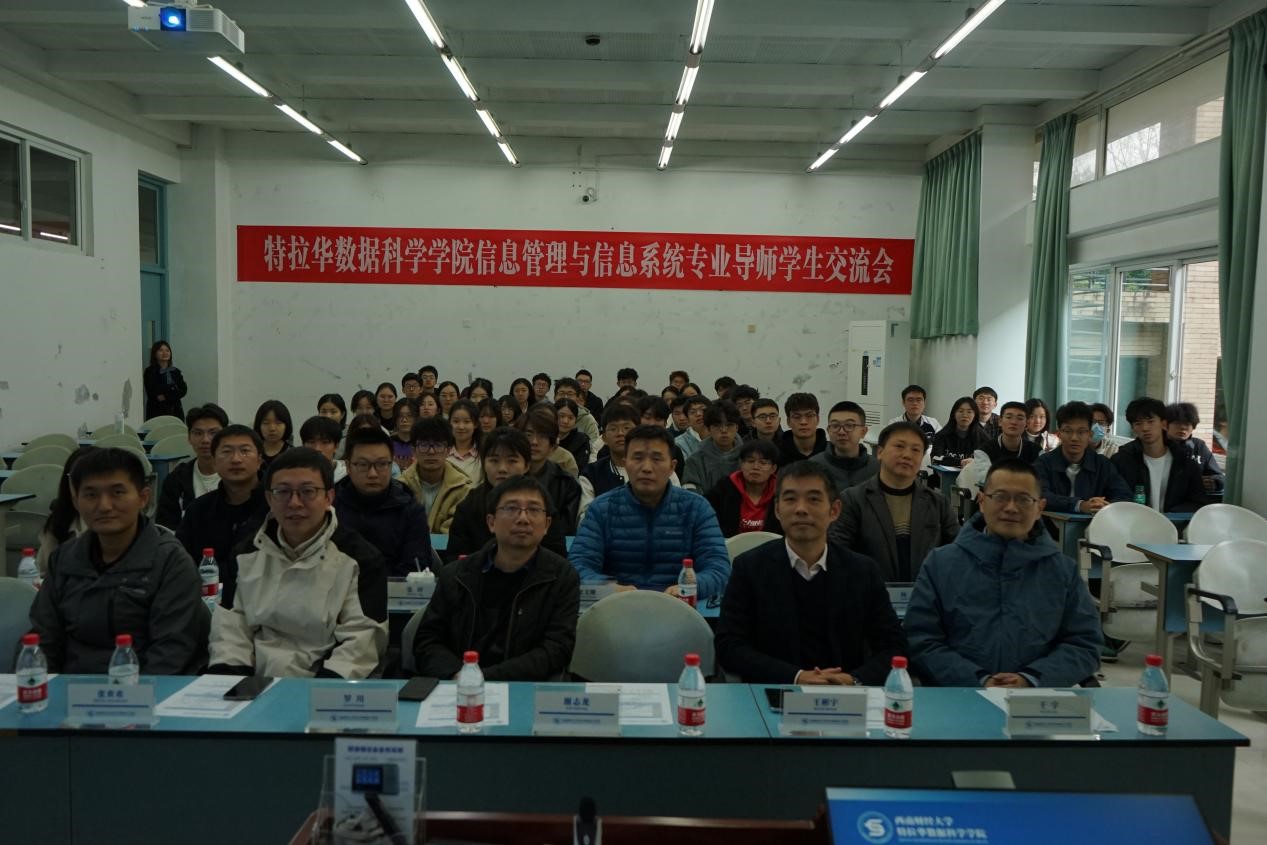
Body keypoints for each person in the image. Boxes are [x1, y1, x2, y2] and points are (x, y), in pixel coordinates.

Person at [904, 460, 1102, 688]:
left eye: (1023, 499)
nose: (1011, 508)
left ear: (1040, 508)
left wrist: (1032, 679)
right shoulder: (941, 564)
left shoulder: (1062, 571)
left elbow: (1085, 644)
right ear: (981, 501)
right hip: (958, 695)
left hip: (1036, 701)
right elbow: (921, 639)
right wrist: (978, 679)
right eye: (1000, 497)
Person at [715, 461, 906, 685]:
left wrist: (854, 679)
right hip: (775, 691)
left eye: (813, 499)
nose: (801, 509)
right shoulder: (749, 568)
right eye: (790, 499)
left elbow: (894, 646)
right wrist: (796, 677)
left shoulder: (863, 571)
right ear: (777, 510)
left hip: (847, 695)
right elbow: (729, 645)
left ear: (834, 510)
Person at [207, 447, 388, 679]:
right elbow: (231, 629)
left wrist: (319, 691)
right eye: (282, 492)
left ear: (329, 497)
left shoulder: (360, 560)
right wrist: (232, 682)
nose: (294, 503)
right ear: (269, 499)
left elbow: (361, 641)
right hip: (253, 682)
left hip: (324, 684)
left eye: (307, 491)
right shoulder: (246, 554)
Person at [30, 447, 208, 674]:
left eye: (117, 493)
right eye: (91, 495)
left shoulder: (170, 561)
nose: (104, 506)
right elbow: (43, 639)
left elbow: (171, 652)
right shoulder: (65, 558)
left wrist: (129, 694)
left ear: (143, 498)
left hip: (146, 687)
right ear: (75, 501)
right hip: (72, 686)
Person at [413, 476, 580, 681]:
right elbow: (427, 641)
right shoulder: (456, 575)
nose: (523, 518)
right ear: (491, 522)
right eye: (511, 508)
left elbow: (557, 649)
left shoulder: (562, 577)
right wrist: (459, 676)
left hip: (526, 687)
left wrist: (483, 677)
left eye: (534, 509)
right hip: (458, 687)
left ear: (546, 525)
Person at [570, 426, 730, 599]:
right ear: (625, 463)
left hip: (680, 606)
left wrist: (688, 588)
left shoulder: (696, 508)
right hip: (616, 605)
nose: (646, 467)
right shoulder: (602, 509)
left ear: (672, 467)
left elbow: (718, 568)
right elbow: (578, 567)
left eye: (656, 459)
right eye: (637, 458)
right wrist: (609, 590)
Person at [829, 422, 958, 582]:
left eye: (915, 450)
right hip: (868, 592)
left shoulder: (938, 503)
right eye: (899, 446)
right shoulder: (852, 500)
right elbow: (838, 555)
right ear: (880, 452)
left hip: (926, 592)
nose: (907, 455)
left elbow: (956, 553)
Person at [176, 425, 269, 605]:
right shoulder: (199, 510)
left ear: (259, 460)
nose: (236, 459)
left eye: (245, 451)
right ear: (214, 461)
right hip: (207, 605)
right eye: (226, 452)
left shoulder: (276, 507)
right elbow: (181, 564)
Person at [447, 427, 569, 560]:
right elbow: (455, 559)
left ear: (527, 465)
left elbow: (557, 557)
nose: (502, 469)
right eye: (494, 460)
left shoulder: (542, 503)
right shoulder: (470, 505)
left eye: (512, 461)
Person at [334, 427, 432, 577]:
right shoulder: (330, 508)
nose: (372, 474)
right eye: (363, 465)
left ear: (391, 465)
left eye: (381, 464)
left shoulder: (411, 511)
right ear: (348, 466)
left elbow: (415, 569)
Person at [1034, 401, 1132, 514]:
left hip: (1094, 523)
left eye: (1081, 432)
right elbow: (1040, 495)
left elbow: (1125, 496)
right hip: (1051, 524)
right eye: (1068, 431)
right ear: (1059, 434)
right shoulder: (1044, 463)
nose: (1074, 438)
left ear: (1090, 434)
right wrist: (1080, 505)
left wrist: (1103, 505)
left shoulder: (1102, 464)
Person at [1111, 397, 1207, 513]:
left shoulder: (1184, 461)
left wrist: (1170, 515)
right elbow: (1114, 498)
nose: (1145, 428)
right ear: (1133, 428)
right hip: (1135, 521)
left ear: (1164, 424)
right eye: (1138, 423)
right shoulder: (1122, 460)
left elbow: (1197, 502)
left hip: (1173, 523)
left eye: (1150, 421)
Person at [155, 403, 228, 529]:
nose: (205, 440)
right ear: (189, 437)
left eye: (213, 433)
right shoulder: (176, 479)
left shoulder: (239, 475)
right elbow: (165, 526)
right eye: (198, 433)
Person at [399, 416, 474, 534]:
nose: (431, 451)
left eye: (438, 445)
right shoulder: (400, 486)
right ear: (413, 451)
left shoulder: (463, 488)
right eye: (424, 445)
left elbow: (455, 531)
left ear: (448, 450)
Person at [521, 407, 582, 534]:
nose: (534, 442)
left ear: (553, 446)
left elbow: (565, 528)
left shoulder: (567, 484)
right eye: (528, 435)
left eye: (542, 436)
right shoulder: (506, 477)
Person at [705, 439, 783, 537]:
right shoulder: (723, 489)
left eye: (763, 463)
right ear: (741, 464)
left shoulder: (782, 492)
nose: (755, 467)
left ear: (773, 468)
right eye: (750, 461)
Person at [36, 446, 95, 575]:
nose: (84, 484)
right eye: (76, 478)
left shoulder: (116, 520)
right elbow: (45, 572)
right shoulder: (58, 520)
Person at [579, 404, 640, 520]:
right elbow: (584, 518)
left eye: (627, 428)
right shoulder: (591, 473)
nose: (620, 433)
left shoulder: (656, 468)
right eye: (613, 429)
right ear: (604, 438)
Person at [811, 400, 879, 495]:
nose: (841, 432)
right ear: (828, 430)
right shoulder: (813, 467)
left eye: (849, 425)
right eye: (835, 426)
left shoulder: (877, 469)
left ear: (863, 431)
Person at [682, 400, 743, 493]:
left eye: (729, 425)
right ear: (708, 429)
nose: (724, 430)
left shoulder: (748, 457)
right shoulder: (695, 461)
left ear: (737, 428)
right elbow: (691, 494)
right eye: (717, 425)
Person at [1164, 402, 1225, 494]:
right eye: (1177, 423)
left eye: (1187, 424)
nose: (1183, 427)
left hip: (1194, 500)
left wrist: (1214, 482)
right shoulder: (1158, 446)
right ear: (1165, 425)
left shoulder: (1199, 446)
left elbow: (1219, 476)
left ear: (1193, 427)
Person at [930, 397, 986, 467]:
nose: (965, 415)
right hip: (945, 473)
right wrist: (961, 462)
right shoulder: (942, 435)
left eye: (969, 412)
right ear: (954, 414)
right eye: (960, 411)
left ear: (975, 415)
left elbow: (989, 461)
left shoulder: (983, 437)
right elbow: (935, 459)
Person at [980, 401, 1041, 465]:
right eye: (1009, 417)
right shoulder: (985, 451)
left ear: (1026, 424)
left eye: (1020, 418)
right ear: (1000, 421)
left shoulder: (1037, 452)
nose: (1014, 422)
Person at [777, 393, 827, 466]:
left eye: (809, 416)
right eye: (797, 417)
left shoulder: (832, 452)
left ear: (818, 419)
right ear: (788, 422)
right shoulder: (776, 455)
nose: (803, 422)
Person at [553, 378, 601, 453]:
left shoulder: (588, 419)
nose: (565, 397)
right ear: (555, 397)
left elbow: (595, 448)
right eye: (561, 393)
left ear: (577, 398)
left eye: (570, 394)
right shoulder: (546, 416)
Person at [142, 339, 187, 420]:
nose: (165, 353)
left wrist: (166, 396)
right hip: (157, 411)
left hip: (175, 411)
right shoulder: (150, 372)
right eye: (161, 350)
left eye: (167, 350)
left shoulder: (175, 371)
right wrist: (173, 391)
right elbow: (153, 393)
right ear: (155, 353)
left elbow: (183, 390)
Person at [300, 415, 348, 483]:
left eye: (325, 442)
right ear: (303, 445)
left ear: (336, 446)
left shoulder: (348, 476)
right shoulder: (295, 475)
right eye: (311, 442)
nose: (317, 449)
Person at [446, 398, 483, 484]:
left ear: (475, 424)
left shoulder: (484, 454)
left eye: (467, 422)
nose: (461, 427)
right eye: (456, 421)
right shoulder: (442, 452)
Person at [253, 399, 293, 469]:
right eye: (266, 423)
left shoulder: (292, 454)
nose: (272, 428)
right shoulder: (253, 453)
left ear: (286, 425)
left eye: (278, 423)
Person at [555, 398, 592, 473]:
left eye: (571, 418)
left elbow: (580, 469)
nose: (565, 421)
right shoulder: (544, 437)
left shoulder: (581, 440)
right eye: (561, 416)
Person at [674, 394, 712, 460]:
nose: (698, 414)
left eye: (703, 409)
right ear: (687, 419)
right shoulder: (678, 443)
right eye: (692, 412)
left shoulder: (720, 435)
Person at [390, 397, 420, 470]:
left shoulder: (423, 444)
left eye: (409, 416)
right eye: (400, 416)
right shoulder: (387, 443)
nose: (404, 420)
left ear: (416, 418)